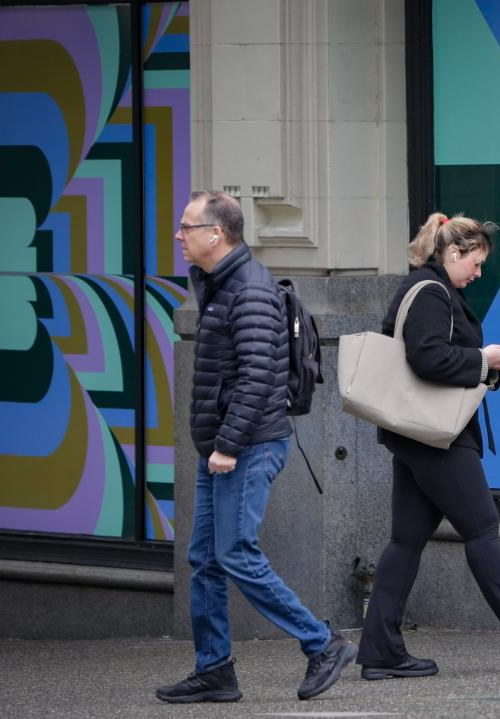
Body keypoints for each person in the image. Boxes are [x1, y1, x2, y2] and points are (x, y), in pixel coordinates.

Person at [355, 212, 500, 680]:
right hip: (437, 436)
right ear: (452, 253)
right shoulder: (432, 292)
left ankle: (380, 651)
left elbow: (435, 357)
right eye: (475, 262)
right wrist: (482, 359)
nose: (478, 273)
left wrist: (487, 366)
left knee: (405, 541)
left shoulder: (427, 287)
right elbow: (427, 357)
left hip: (416, 434)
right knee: (482, 530)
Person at [156, 191, 356, 703]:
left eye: (186, 227)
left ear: (216, 234)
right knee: (205, 559)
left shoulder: (249, 290)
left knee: (234, 553)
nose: (179, 235)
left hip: (246, 445)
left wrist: (227, 445)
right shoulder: (220, 284)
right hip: (223, 445)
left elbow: (257, 377)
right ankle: (214, 670)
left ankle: (323, 643)